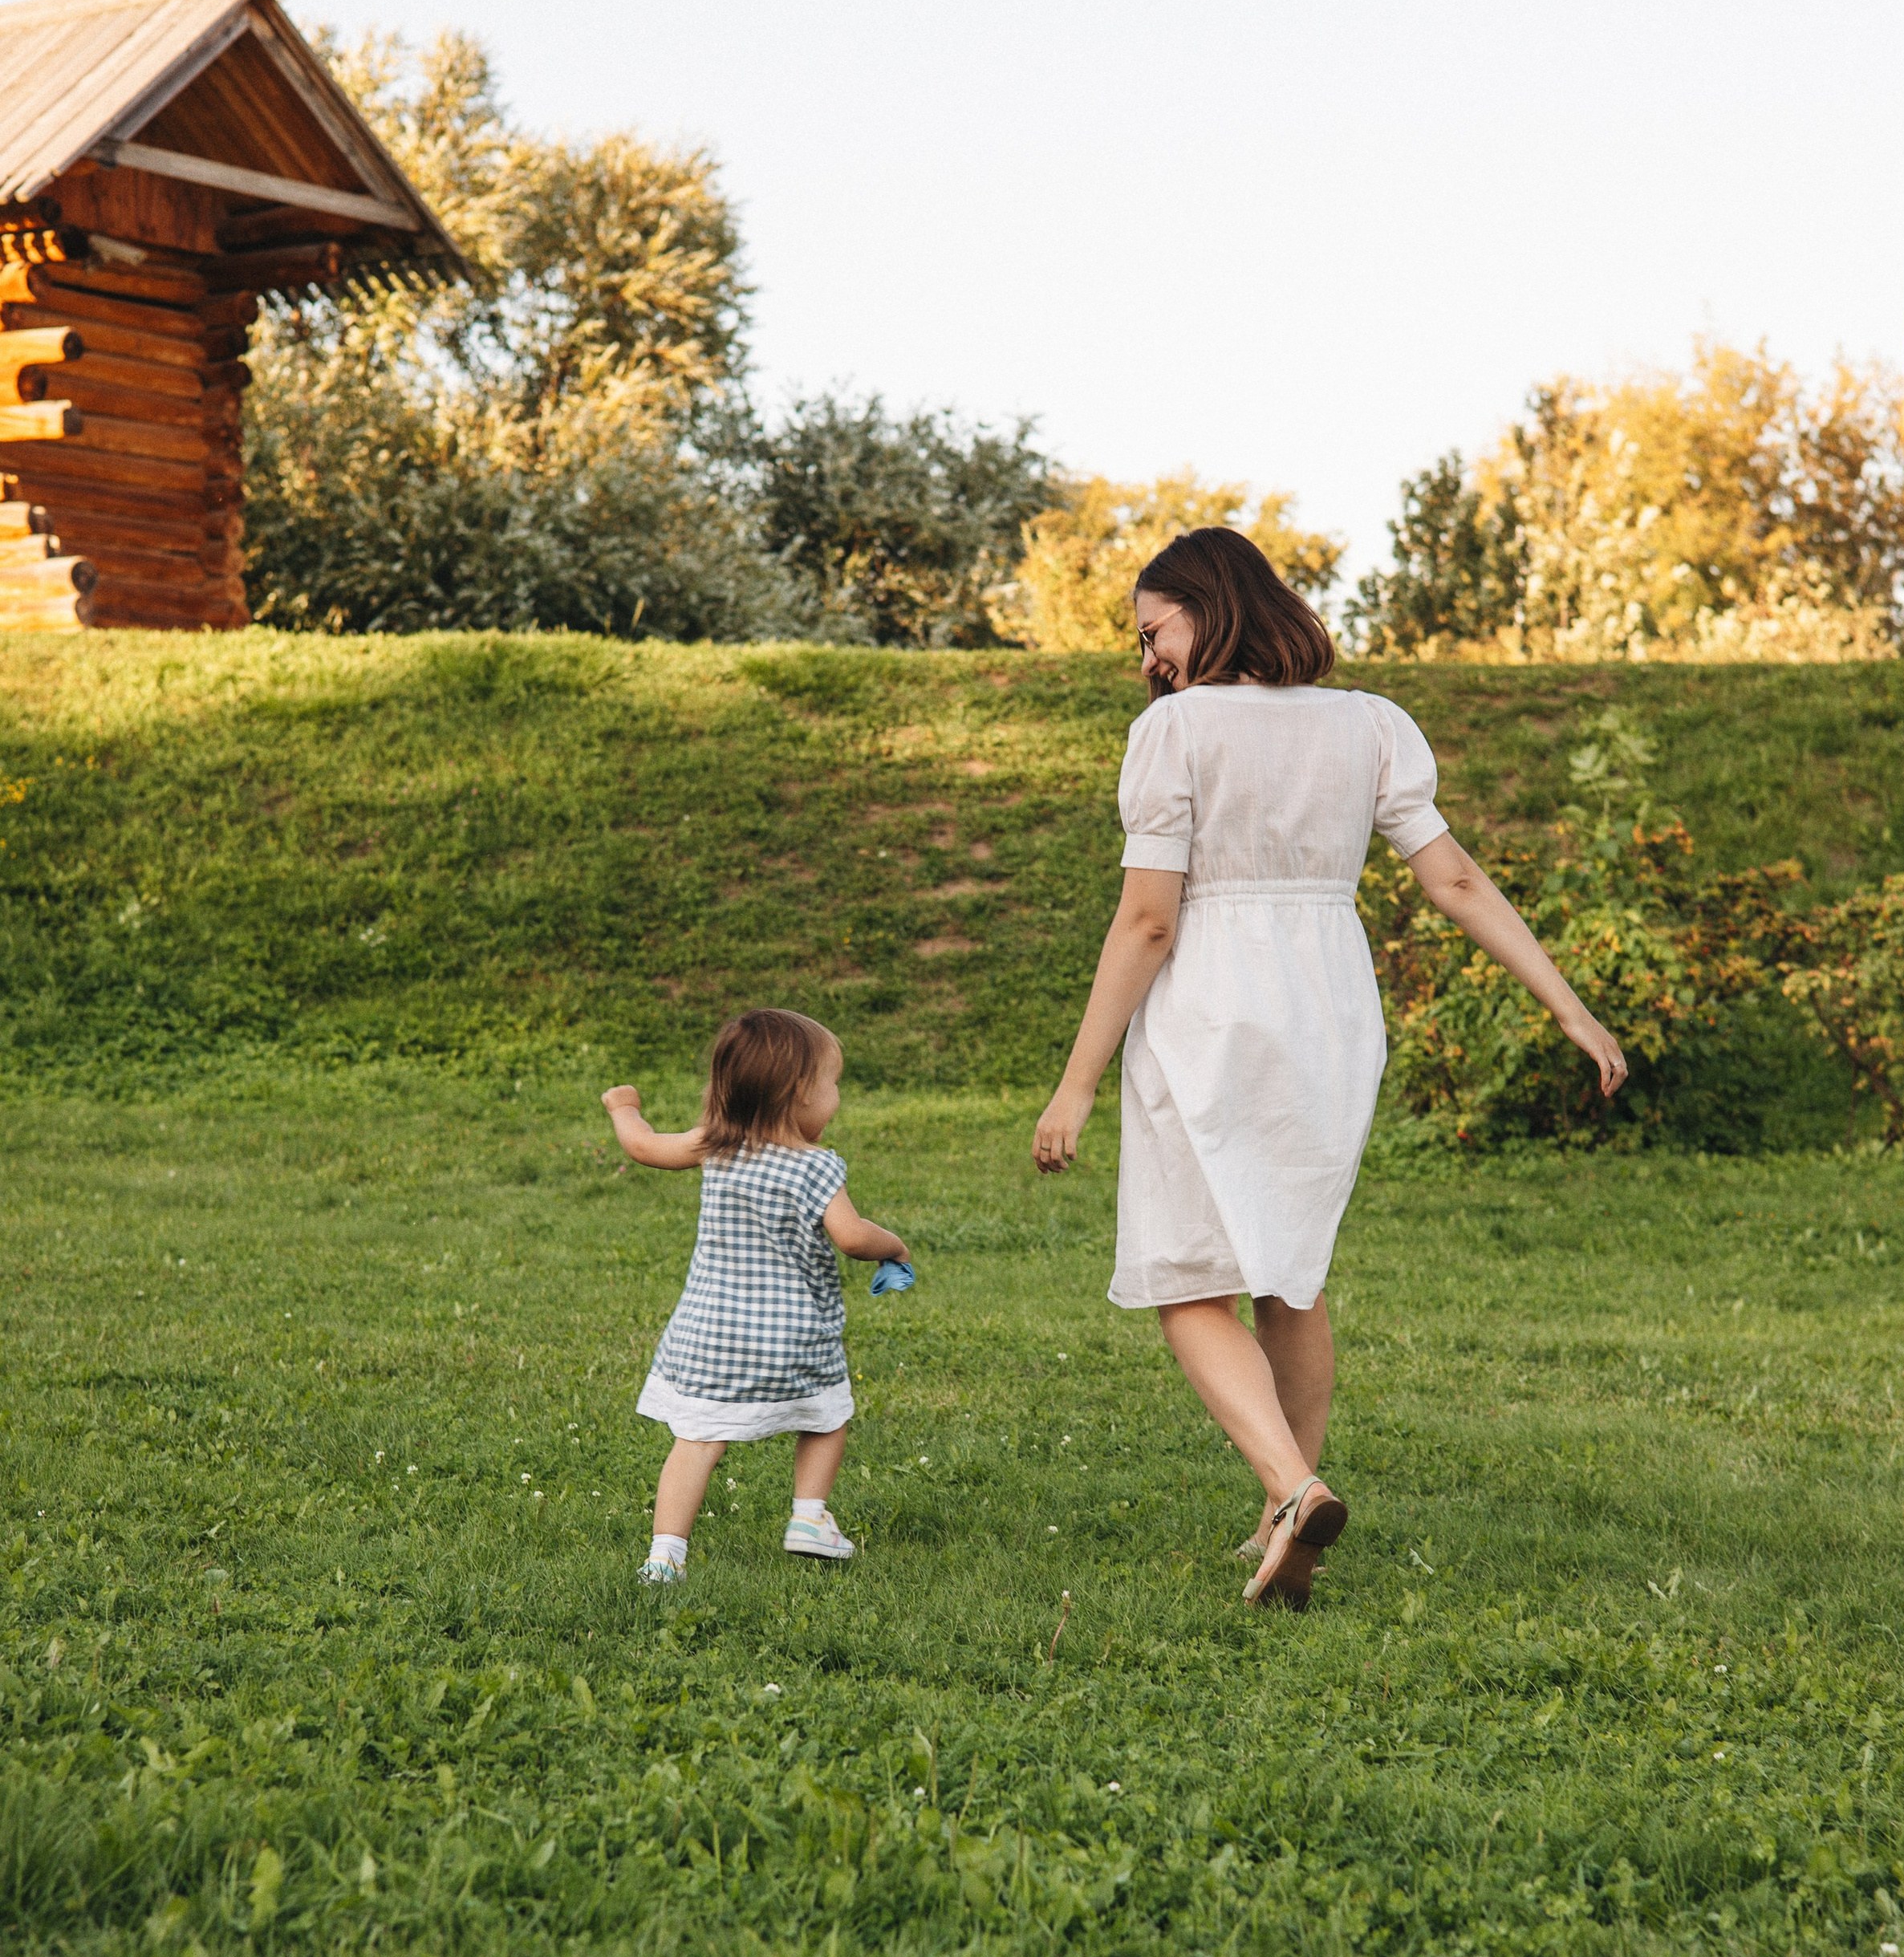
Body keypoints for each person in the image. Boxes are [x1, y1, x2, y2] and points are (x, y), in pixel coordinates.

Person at [1032, 527, 1626, 1611]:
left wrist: (1075, 1083)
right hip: (1330, 1007)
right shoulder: (1374, 725)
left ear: (1204, 611)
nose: (1147, 657)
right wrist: (1570, 1006)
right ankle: (1279, 1520)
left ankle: (1294, 1488)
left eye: (1152, 631)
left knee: (1188, 1280)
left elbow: (1149, 921)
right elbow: (1452, 880)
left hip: (1214, 1002)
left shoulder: (1176, 733)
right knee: (1289, 1271)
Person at [603, 1009, 908, 1581]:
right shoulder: (817, 1166)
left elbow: (644, 1147)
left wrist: (624, 1108)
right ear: (800, 1095)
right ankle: (809, 1518)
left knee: (696, 1440)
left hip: (711, 1335)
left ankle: (664, 1557)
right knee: (826, 1414)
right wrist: (895, 1245)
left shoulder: (717, 1145)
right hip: (793, 1337)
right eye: (832, 1084)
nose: (836, 1096)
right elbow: (850, 1236)